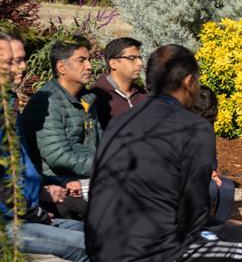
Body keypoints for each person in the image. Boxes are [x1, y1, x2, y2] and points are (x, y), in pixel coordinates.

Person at [85, 44, 242, 261]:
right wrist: (216, 226)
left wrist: (217, 225)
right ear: (189, 82)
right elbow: (192, 216)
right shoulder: (194, 127)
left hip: (101, 248)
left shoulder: (118, 123)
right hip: (156, 252)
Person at [0, 33, 89, 262]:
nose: (21, 67)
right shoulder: (38, 103)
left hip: (24, 213)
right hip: (9, 224)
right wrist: (32, 212)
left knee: (94, 232)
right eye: (10, 62)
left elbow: (20, 167)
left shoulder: (10, 105)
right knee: (90, 246)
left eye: (20, 59)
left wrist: (48, 185)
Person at [20, 37, 100, 201]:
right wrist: (106, 165)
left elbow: (101, 142)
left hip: (87, 175)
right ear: (61, 67)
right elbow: (60, 158)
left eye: (89, 60)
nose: (90, 66)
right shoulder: (46, 102)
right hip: (58, 183)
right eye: (81, 60)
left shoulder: (87, 99)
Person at [191, 86, 236, 223]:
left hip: (206, 172)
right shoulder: (185, 126)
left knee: (227, 187)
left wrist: (212, 172)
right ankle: (197, 228)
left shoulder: (209, 128)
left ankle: (218, 229)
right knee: (210, 187)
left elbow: (211, 157)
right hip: (188, 173)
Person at [91, 37, 147, 129]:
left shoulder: (142, 95)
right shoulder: (98, 97)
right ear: (113, 63)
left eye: (140, 58)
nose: (140, 63)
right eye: (132, 58)